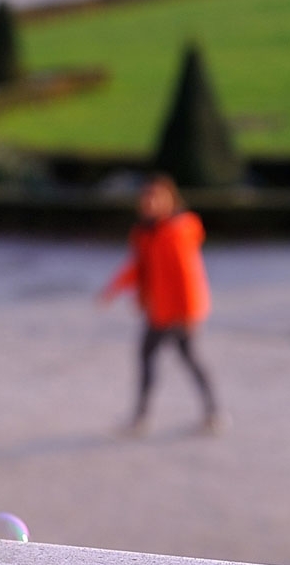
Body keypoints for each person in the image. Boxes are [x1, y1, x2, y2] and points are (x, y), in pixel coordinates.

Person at [100, 173, 223, 436]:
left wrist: (189, 315)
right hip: (159, 309)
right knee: (173, 358)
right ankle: (209, 412)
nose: (150, 203)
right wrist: (114, 288)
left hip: (176, 312)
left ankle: (207, 412)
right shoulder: (146, 231)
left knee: (176, 358)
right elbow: (139, 267)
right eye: (146, 197)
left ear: (170, 200)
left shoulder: (176, 232)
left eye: (156, 197)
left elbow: (188, 277)